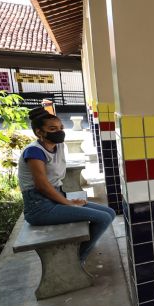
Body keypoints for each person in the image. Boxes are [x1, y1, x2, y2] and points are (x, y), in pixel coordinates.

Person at [17, 107, 115, 264]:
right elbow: (42, 186)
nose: (60, 131)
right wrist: (68, 203)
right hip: (39, 208)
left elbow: (54, 180)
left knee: (109, 213)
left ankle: (76, 253)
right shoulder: (34, 152)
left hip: (55, 198)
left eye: (61, 128)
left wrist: (67, 201)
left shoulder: (58, 145)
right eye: (52, 128)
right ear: (39, 132)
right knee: (102, 218)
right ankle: (78, 259)